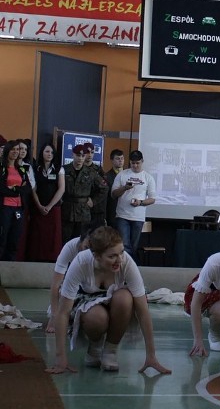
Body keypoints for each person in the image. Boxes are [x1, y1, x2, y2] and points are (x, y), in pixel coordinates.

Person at [45, 226, 171, 375]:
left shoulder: (126, 262)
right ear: (96, 256)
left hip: (116, 301)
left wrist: (151, 356)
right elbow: (63, 312)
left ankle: (110, 351)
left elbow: (143, 311)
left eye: (122, 252)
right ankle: (95, 346)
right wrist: (61, 359)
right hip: (88, 304)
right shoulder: (80, 262)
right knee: (97, 318)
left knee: (125, 298)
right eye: (112, 256)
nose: (119, 259)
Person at [45, 223, 99, 333]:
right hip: (75, 288)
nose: (86, 253)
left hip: (93, 289)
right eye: (85, 247)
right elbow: (55, 284)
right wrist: (54, 317)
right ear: (81, 238)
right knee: (60, 298)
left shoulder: (99, 252)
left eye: (91, 250)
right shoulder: (70, 247)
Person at [110, 150, 156, 261]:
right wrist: (124, 188)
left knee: (133, 246)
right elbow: (113, 194)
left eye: (137, 163)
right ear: (130, 162)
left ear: (142, 161)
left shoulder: (148, 177)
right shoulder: (122, 174)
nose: (135, 165)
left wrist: (140, 202)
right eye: (133, 163)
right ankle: (126, 268)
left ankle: (129, 268)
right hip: (122, 216)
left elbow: (152, 199)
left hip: (138, 217)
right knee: (125, 245)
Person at [27, 142, 65, 262]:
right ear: (42, 153)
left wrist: (49, 206)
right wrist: (39, 205)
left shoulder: (59, 168)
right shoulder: (34, 168)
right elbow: (33, 189)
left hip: (53, 208)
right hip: (38, 207)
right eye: (47, 151)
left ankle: (52, 259)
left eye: (52, 152)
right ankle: (36, 259)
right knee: (38, 235)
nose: (49, 154)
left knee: (53, 236)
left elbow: (61, 189)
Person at [61, 144, 104, 243]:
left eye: (83, 156)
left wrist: (94, 201)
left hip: (83, 211)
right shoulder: (65, 169)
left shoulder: (91, 172)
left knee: (81, 240)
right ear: (73, 155)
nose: (80, 158)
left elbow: (104, 188)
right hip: (67, 209)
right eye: (78, 155)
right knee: (65, 239)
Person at [1, 140, 31, 261]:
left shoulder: (22, 169)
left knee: (14, 239)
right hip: (4, 208)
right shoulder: (2, 168)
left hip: (18, 208)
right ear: (7, 150)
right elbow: (2, 189)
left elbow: (28, 188)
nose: (15, 152)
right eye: (13, 149)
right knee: (2, 239)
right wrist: (19, 189)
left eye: (17, 150)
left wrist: (14, 188)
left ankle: (10, 267)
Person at [104, 149, 124, 227]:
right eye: (117, 158)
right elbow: (106, 199)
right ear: (112, 160)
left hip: (127, 214)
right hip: (113, 214)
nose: (120, 161)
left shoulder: (129, 175)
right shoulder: (107, 177)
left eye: (122, 158)